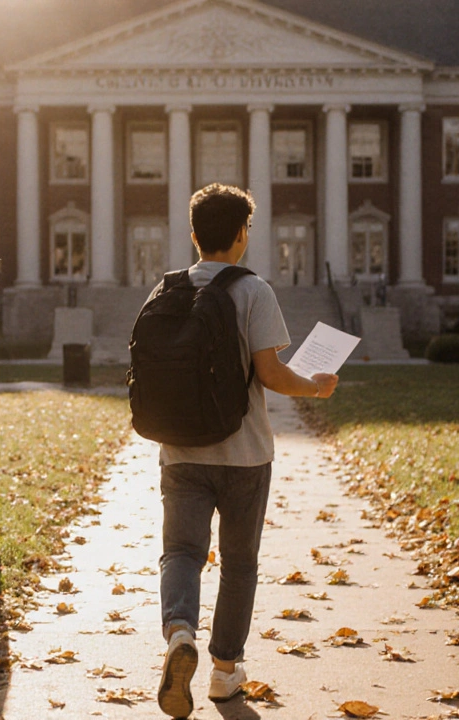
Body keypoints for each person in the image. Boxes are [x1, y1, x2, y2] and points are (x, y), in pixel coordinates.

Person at [151, 183, 339, 718]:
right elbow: (272, 374)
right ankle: (224, 672)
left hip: (180, 451)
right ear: (241, 236)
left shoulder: (164, 291)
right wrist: (316, 387)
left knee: (182, 553)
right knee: (238, 565)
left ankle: (179, 633)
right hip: (244, 454)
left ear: (193, 235)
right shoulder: (253, 290)